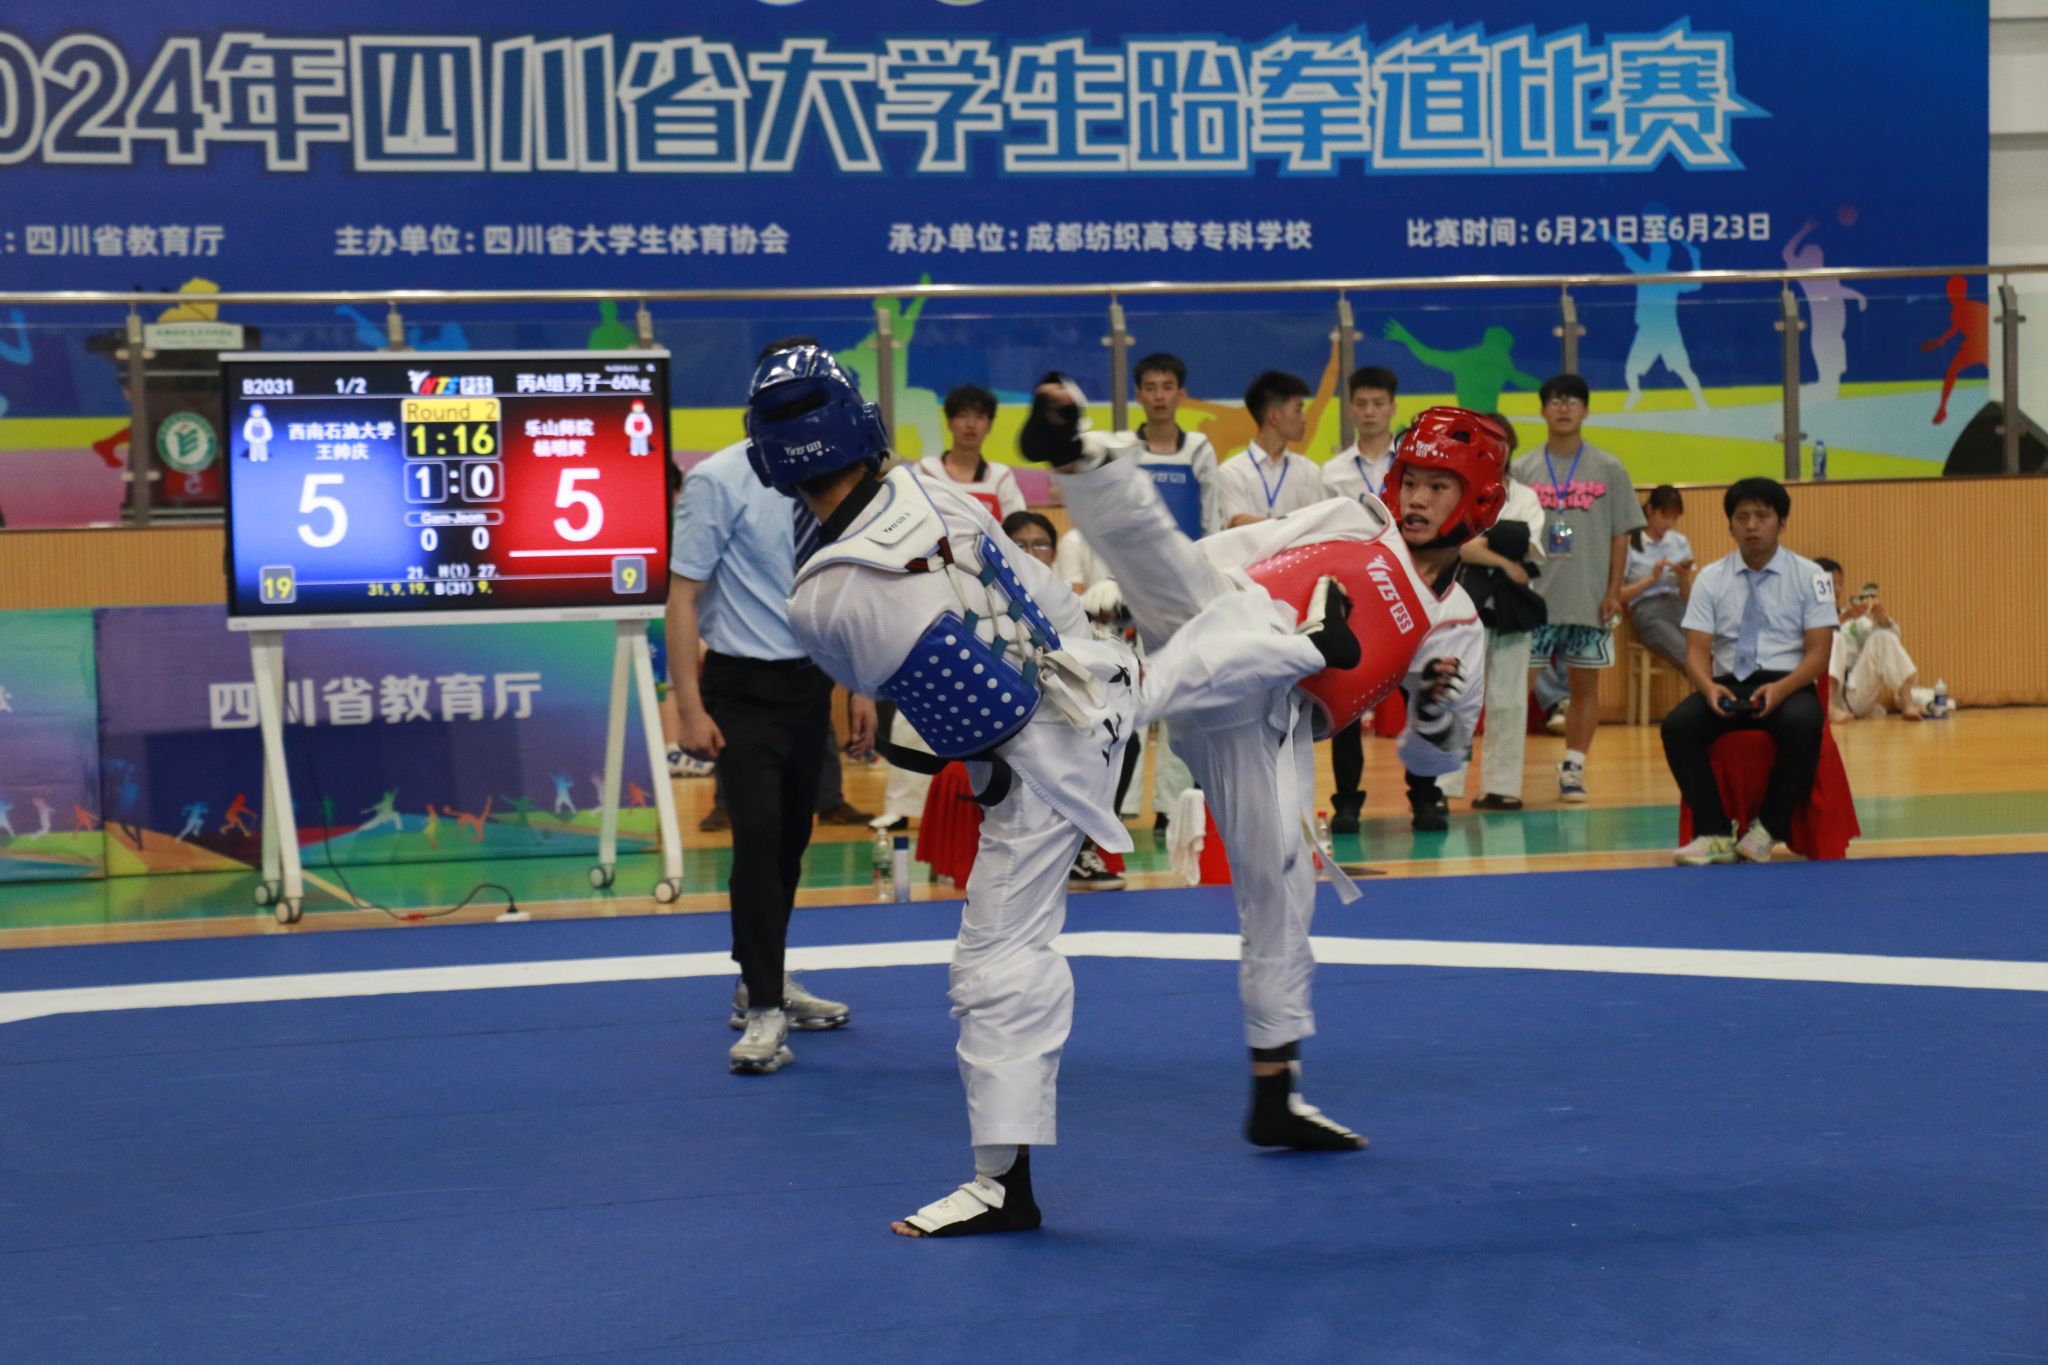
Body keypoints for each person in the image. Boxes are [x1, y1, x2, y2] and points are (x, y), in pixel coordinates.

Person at [761, 345, 1357, 1236]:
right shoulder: (936, 492)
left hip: (1041, 752)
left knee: (997, 958)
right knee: (1180, 651)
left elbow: (964, 711)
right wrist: (1094, 668)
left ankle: (1003, 1185)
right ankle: (1281, 640)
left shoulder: (824, 596)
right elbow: (1042, 595)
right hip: (1095, 682)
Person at [1026, 386, 1497, 1161]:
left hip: (1270, 719)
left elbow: (1432, 759)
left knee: (1281, 883)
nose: (1415, 499)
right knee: (1211, 592)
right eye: (1411, 480)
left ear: (1474, 500)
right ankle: (1081, 458)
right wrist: (1140, 589)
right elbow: (1237, 552)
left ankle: (1276, 1094)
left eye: (1437, 487)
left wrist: (1439, 713)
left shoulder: (1456, 625)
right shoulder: (1352, 520)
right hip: (1223, 623)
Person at [668, 336, 879, 1075]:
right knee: (757, 840)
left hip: (812, 681)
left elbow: (846, 586)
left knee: (790, 841)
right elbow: (683, 595)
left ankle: (761, 977)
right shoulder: (719, 479)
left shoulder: (841, 472)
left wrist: (857, 686)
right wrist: (688, 707)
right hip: (741, 689)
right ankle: (763, 1008)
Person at [1664, 479, 1837, 865]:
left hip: (1787, 683)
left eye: (1762, 516)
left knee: (1803, 724)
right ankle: (1713, 832)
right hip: (1728, 684)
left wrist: (1783, 688)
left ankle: (1768, 828)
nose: (1752, 525)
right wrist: (1707, 687)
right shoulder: (1710, 578)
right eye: (1742, 517)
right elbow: (1696, 652)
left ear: (1782, 523)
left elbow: (1819, 653)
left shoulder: (1812, 576)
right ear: (1730, 526)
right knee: (1678, 726)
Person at [1511, 374, 1644, 803]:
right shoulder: (1522, 469)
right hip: (1535, 600)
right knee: (1516, 687)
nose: (1564, 408)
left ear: (1585, 410)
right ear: (1542, 410)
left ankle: (1574, 767)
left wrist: (1614, 591)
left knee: (1584, 688)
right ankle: (1506, 772)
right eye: (1555, 400)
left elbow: (1621, 533)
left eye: (1572, 401)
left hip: (1591, 598)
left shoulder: (1609, 468)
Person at [1005, 509, 1127, 891]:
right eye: (1019, 545)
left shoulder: (1063, 598)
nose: (1031, 553)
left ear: (1054, 553)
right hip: (1011, 706)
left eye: (1040, 545)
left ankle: (1082, 845)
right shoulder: (987, 592)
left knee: (1121, 736)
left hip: (1066, 702)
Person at [1439, 414, 1547, 813]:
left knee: (1509, 699)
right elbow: (1461, 547)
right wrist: (1503, 558)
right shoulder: (1459, 491)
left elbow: (1530, 545)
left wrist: (1489, 543)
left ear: (1510, 450)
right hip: (1464, 603)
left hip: (1512, 607)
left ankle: (1502, 787)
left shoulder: (1526, 497)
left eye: (1500, 447)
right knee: (1454, 693)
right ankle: (1442, 784)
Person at [1317, 365, 1401, 832]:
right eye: (1362, 404)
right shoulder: (1331, 472)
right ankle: (1346, 800)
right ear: (1350, 409)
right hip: (1351, 589)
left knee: (1416, 686)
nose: (1370, 412)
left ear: (1392, 407)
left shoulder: (1409, 465)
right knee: (1345, 691)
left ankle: (1425, 795)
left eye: (1378, 403)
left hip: (1404, 585)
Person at [1214, 370, 1327, 527]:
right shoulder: (1231, 472)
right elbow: (1237, 523)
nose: (1304, 418)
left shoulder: (1309, 471)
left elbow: (1319, 523)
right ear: (1273, 416)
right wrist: (1293, 525)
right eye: (1297, 410)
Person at [1817, 558, 1926, 721]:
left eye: (1839, 583)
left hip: (1856, 690)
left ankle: (1907, 701)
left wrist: (1881, 619)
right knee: (1833, 637)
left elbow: (1888, 643)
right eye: (1831, 583)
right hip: (1824, 694)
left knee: (1882, 636)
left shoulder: (1853, 618)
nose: (1837, 589)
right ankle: (1828, 706)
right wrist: (1845, 617)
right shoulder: (1804, 617)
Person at [1130, 353, 1222, 540]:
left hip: (1191, 555)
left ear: (1181, 395)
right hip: (1137, 556)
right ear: (1139, 397)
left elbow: (1212, 518)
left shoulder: (1198, 449)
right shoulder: (1125, 449)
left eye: (1167, 387)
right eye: (1150, 388)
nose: (1159, 396)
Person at [916, 383, 1024, 519]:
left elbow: (1017, 525)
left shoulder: (1001, 477)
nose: (971, 424)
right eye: (962, 415)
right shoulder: (925, 472)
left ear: (990, 426)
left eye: (980, 417)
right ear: (949, 422)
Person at [1619, 485, 1695, 672]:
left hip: (1680, 607)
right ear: (1650, 510)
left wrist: (1682, 577)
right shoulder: (1629, 543)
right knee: (1688, 655)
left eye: (1674, 518)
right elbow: (1618, 595)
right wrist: (1652, 578)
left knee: (1707, 650)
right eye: (1665, 516)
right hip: (1647, 611)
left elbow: (1688, 597)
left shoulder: (1679, 542)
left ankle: (1713, 687)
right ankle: (1714, 688)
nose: (1669, 523)